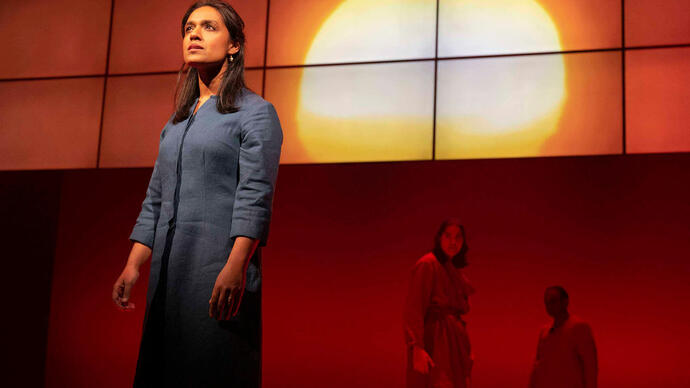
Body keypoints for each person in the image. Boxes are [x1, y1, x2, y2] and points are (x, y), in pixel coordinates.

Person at [110, 1, 282, 387]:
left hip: (217, 267)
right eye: (189, 27)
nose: (194, 34)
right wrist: (134, 264)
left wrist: (237, 265)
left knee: (212, 366)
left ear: (234, 44)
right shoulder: (176, 123)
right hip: (169, 271)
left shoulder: (255, 113)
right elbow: (157, 197)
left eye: (208, 26)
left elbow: (255, 195)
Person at [404, 218, 475, 388]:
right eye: (448, 236)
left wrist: (466, 347)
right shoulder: (427, 264)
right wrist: (416, 347)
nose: (453, 242)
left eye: (458, 237)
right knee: (437, 381)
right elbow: (414, 307)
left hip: (454, 340)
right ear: (439, 238)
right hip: (436, 340)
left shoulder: (453, 269)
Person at [528, 286, 598, 388]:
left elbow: (590, 366)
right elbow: (538, 366)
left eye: (553, 301)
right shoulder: (545, 332)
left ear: (565, 302)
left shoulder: (578, 327)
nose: (549, 305)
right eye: (546, 302)